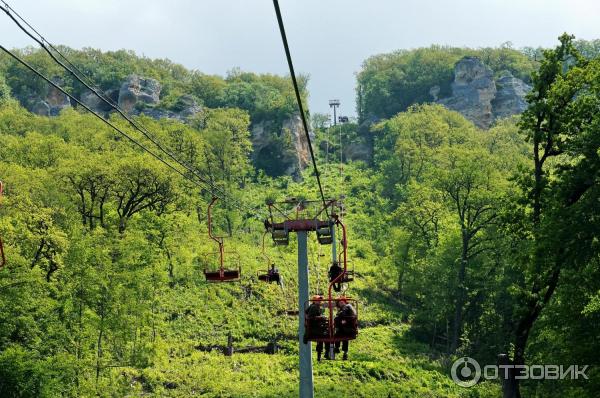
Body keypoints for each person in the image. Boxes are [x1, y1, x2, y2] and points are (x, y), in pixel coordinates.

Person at [304, 295, 328, 361]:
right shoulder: (314, 307)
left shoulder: (313, 307)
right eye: (318, 300)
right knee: (327, 335)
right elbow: (311, 317)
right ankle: (326, 352)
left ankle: (320, 356)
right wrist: (321, 317)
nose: (320, 302)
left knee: (320, 340)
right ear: (314, 301)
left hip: (315, 328)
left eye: (320, 301)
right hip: (315, 329)